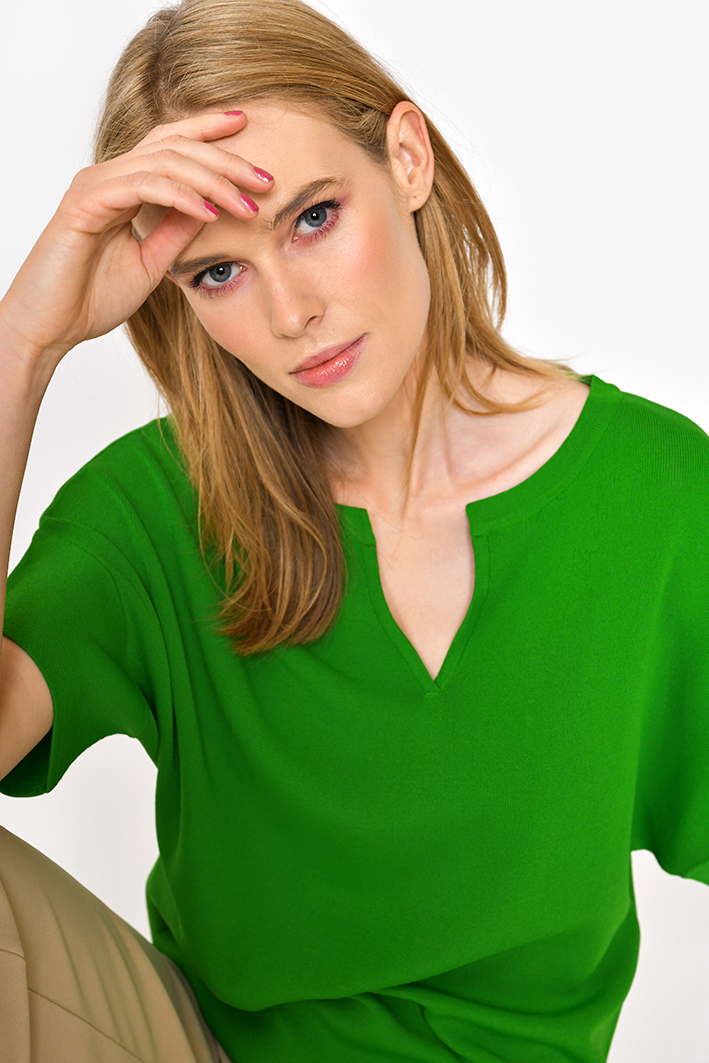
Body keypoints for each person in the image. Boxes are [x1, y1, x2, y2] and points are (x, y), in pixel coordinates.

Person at [1, 0, 708, 1061]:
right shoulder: (155, 508)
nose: (290, 312)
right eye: (218, 272)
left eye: (313, 218)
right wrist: (23, 340)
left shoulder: (653, 490)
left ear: (406, 158)